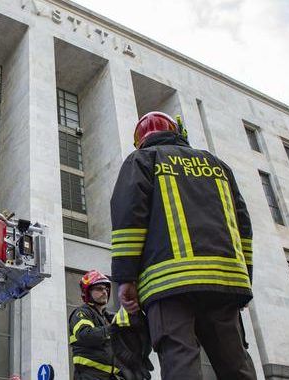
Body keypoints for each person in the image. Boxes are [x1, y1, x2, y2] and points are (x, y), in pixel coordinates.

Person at [110, 111, 256, 380]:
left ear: (140, 140)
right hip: (224, 280)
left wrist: (125, 278)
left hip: (168, 284)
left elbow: (128, 218)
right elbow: (243, 225)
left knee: (180, 360)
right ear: (179, 133)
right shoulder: (217, 166)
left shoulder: (142, 160)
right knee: (235, 364)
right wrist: (245, 279)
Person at [68, 270, 121, 380]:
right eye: (99, 289)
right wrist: (111, 329)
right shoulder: (82, 313)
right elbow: (85, 335)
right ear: (87, 292)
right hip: (89, 375)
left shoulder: (108, 318)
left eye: (106, 289)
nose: (105, 292)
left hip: (109, 376)